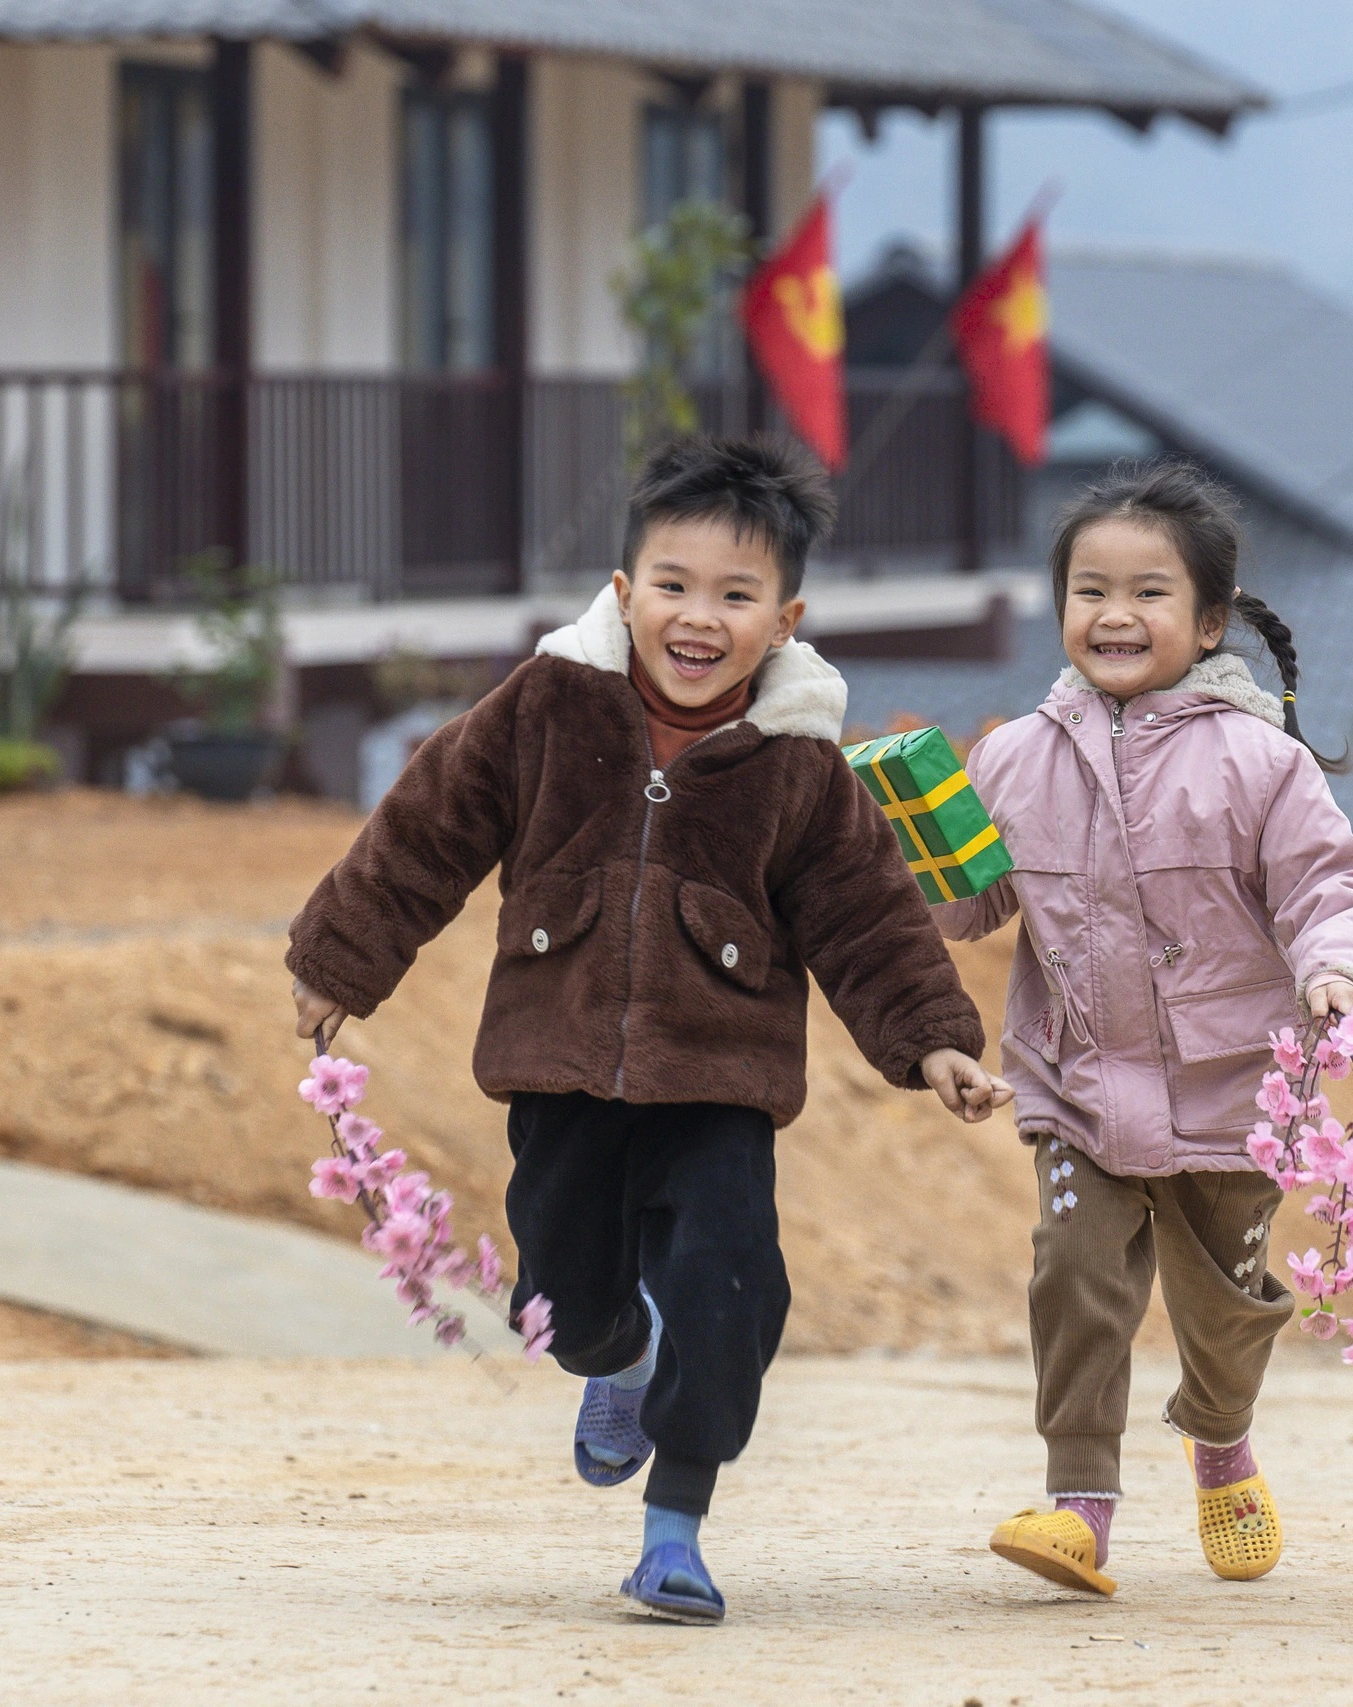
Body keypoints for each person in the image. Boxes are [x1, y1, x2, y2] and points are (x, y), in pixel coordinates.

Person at [284, 436, 1008, 1624]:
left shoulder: (801, 767)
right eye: (673, 586)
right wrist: (341, 962)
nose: (698, 618)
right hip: (558, 1061)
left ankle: (676, 1529)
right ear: (624, 596)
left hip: (719, 1079)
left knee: (729, 1285)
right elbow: (428, 827)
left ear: (785, 620)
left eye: (736, 596)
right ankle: (614, 1361)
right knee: (563, 1302)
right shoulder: (546, 705)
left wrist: (933, 1040)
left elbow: (867, 916)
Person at [934, 463, 1353, 1598]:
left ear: (1208, 621)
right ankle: (1077, 1502)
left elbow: (1330, 886)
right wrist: (905, 846)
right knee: (1073, 1273)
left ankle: (1220, 1435)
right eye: (1089, 590)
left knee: (1229, 1300)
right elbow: (967, 906)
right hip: (1074, 1082)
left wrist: (1337, 974)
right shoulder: (1012, 756)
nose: (1114, 615)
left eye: (1147, 593)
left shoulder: (1260, 763)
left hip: (1233, 1091)